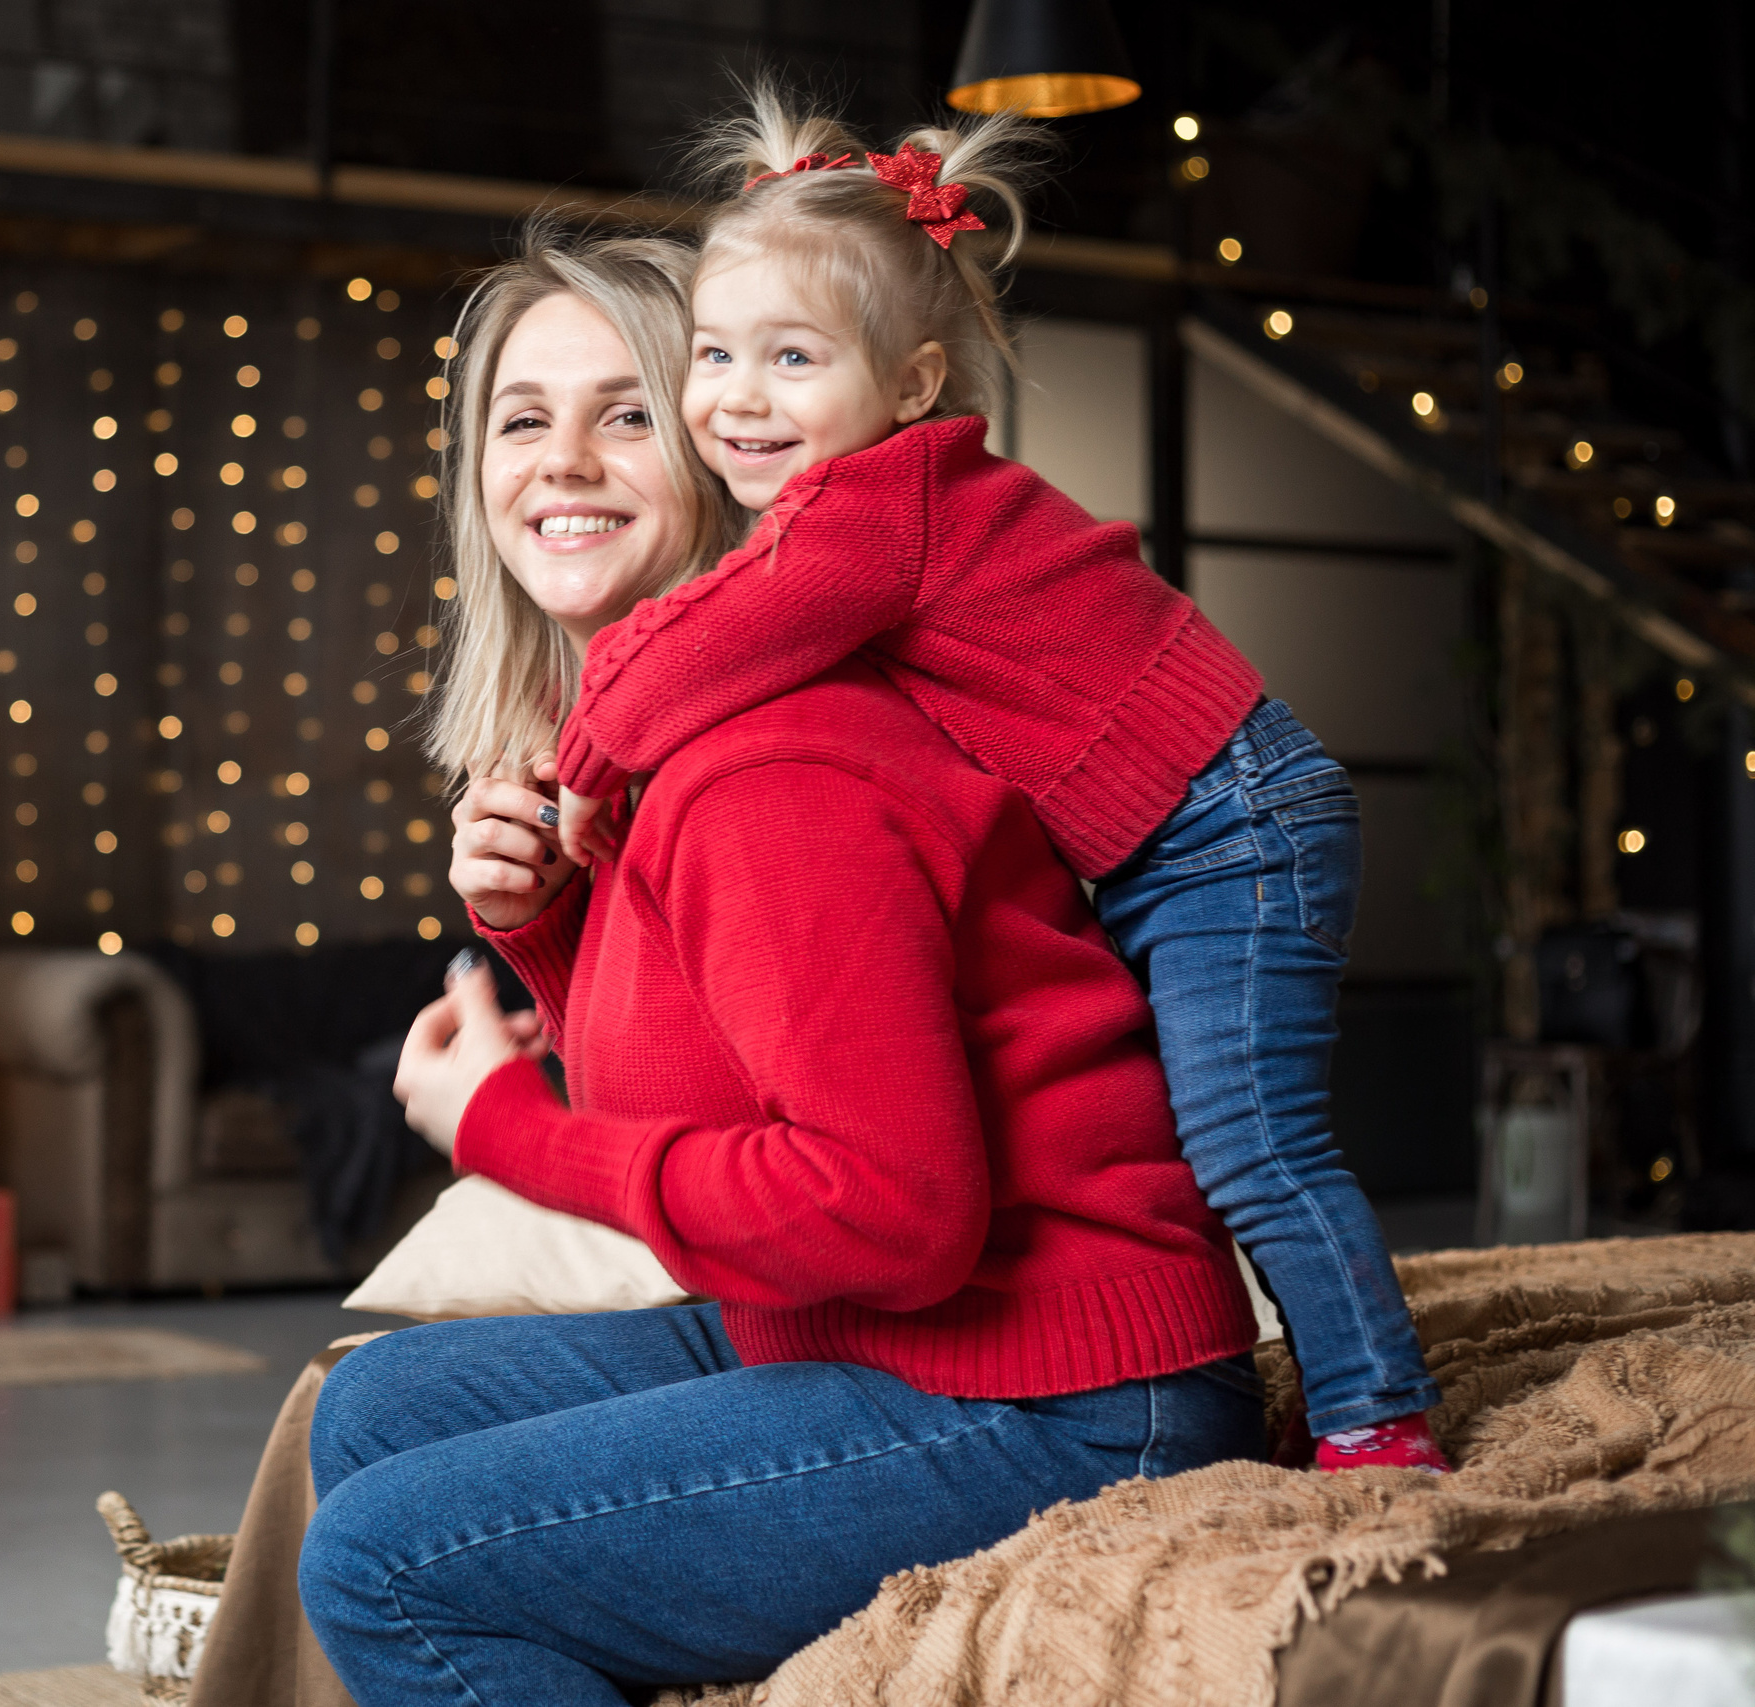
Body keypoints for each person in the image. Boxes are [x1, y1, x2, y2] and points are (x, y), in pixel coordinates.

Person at [294, 228, 1267, 1705]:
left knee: (379, 1561)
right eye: (520, 417)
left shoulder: (768, 764)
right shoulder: (654, 754)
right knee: (370, 1413)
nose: (562, 460)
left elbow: (891, 1214)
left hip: (1058, 1393)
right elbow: (715, 1066)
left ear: (726, 444)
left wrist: (510, 1132)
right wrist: (549, 921)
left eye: (627, 411)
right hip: (875, 1334)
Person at [546, 88, 1446, 1471]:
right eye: (715, 353)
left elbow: (698, 647)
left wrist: (589, 761)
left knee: (1251, 1139)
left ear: (910, 387)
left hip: (1228, 827)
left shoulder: (877, 506)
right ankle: (1254, 1366)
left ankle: (1379, 1414)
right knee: (1186, 1125)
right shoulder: (876, 513)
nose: (736, 395)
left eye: (795, 358)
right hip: (1181, 831)